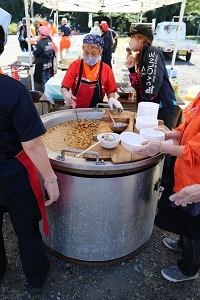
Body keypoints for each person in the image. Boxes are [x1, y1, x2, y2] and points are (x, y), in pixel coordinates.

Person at [0, 8, 60, 291]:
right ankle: (36, 278)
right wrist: (50, 179)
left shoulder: (16, 91)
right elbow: (33, 144)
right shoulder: (12, 90)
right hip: (12, 172)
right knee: (25, 228)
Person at [130, 92, 200, 283]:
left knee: (194, 229)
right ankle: (181, 242)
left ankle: (189, 269)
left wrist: (161, 146)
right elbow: (186, 129)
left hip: (196, 183)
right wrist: (167, 134)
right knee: (183, 219)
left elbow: (193, 151)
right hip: (184, 174)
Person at [125, 24, 176, 130]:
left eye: (132, 38)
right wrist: (131, 69)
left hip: (161, 106)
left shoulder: (152, 51)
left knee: (161, 137)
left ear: (141, 39)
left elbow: (154, 79)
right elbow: (139, 86)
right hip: (151, 107)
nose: (130, 41)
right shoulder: (141, 56)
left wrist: (145, 106)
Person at [61, 34, 123, 110]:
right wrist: (66, 94)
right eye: (86, 53)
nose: (90, 56)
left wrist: (112, 98)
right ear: (82, 49)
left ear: (100, 51)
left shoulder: (106, 69)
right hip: (76, 110)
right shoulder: (75, 65)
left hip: (97, 110)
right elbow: (65, 86)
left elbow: (110, 90)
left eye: (94, 53)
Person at [33, 26, 54, 92]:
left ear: (40, 33)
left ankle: (46, 93)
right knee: (48, 78)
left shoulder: (39, 43)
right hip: (49, 63)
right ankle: (49, 91)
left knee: (43, 79)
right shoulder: (49, 41)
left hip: (42, 64)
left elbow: (36, 53)